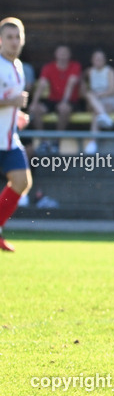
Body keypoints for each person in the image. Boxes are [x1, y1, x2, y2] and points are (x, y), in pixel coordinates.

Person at [0, 17, 33, 252]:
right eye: (9, 37)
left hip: (8, 138)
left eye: (17, 37)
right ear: (0, 40)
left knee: (22, 182)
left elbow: (10, 102)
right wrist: (10, 102)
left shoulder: (19, 66)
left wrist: (17, 116)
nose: (14, 42)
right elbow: (8, 99)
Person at [28, 44, 82, 153]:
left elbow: (70, 84)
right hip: (53, 100)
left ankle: (57, 142)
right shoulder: (48, 67)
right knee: (34, 110)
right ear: (55, 54)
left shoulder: (75, 66)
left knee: (64, 109)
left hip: (70, 100)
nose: (62, 55)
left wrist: (64, 101)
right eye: (60, 53)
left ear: (69, 55)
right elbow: (42, 85)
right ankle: (44, 142)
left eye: (65, 53)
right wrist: (34, 102)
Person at [83, 49, 114, 153]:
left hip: (108, 100)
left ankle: (92, 142)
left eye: (100, 59)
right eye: (96, 59)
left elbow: (112, 90)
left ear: (104, 60)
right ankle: (103, 116)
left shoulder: (110, 71)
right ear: (92, 60)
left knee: (96, 113)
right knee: (90, 95)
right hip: (94, 101)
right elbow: (83, 88)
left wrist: (99, 95)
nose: (98, 61)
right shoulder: (89, 72)